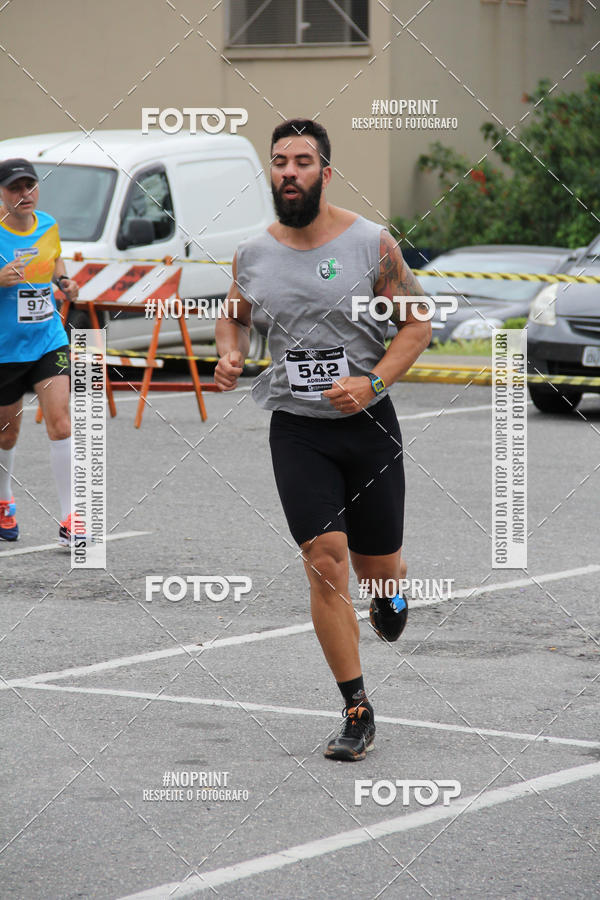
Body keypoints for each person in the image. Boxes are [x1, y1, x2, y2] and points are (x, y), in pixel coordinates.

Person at [215, 120, 431, 761]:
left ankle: (392, 589)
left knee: (375, 571)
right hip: (297, 429)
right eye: (279, 162)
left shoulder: (371, 244)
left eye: (302, 161)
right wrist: (229, 355)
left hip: (368, 426)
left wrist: (371, 382)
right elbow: (234, 320)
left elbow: (417, 326)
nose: (288, 172)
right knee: (326, 561)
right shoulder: (253, 254)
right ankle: (357, 708)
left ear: (325, 172)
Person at [0, 158, 80, 545]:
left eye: (30, 186)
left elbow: (53, 259)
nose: (24, 194)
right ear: (2, 193)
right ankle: (4, 501)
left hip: (48, 339)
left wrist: (63, 279)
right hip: (5, 349)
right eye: (15, 188)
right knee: (7, 433)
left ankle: (71, 518)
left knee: (61, 422)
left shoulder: (48, 224)